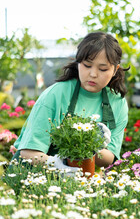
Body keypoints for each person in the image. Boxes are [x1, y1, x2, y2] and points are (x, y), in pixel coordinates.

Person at [12, 32, 129, 174]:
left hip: (84, 181)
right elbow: (28, 152)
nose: (93, 74)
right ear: (78, 63)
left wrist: (94, 147)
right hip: (36, 179)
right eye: (87, 65)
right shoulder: (56, 95)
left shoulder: (117, 102)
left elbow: (109, 158)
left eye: (103, 69)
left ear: (115, 70)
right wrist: (54, 164)